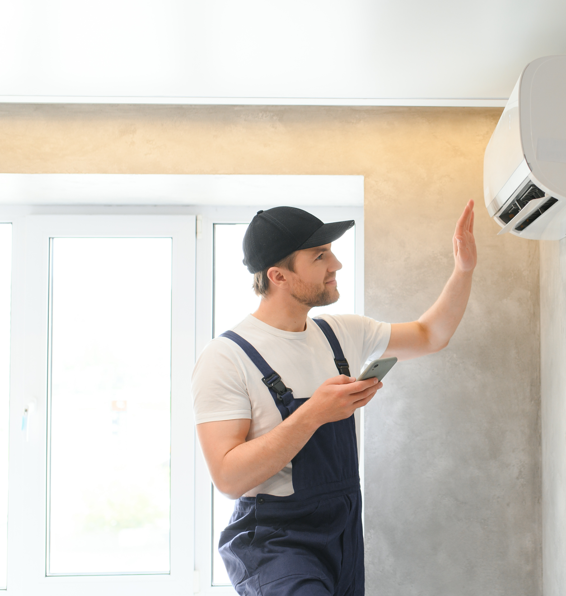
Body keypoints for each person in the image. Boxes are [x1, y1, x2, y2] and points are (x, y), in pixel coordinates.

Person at [191, 201, 476, 596]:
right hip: (276, 542)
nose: (336, 264)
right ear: (278, 276)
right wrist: (313, 414)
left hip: (342, 531)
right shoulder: (226, 357)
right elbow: (227, 478)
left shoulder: (341, 333)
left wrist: (464, 270)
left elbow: (431, 335)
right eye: (320, 255)